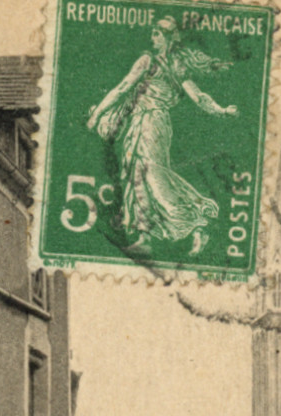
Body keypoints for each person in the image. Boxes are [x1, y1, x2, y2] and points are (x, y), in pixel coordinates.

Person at [86, 17, 238, 257]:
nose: (152, 37)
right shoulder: (149, 60)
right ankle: (145, 235)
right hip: (139, 122)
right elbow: (123, 86)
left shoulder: (174, 66)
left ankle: (197, 223)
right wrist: (99, 113)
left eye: (157, 33)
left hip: (155, 123)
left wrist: (221, 110)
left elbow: (197, 96)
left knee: (155, 177)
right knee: (136, 175)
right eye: (153, 33)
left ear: (168, 37)